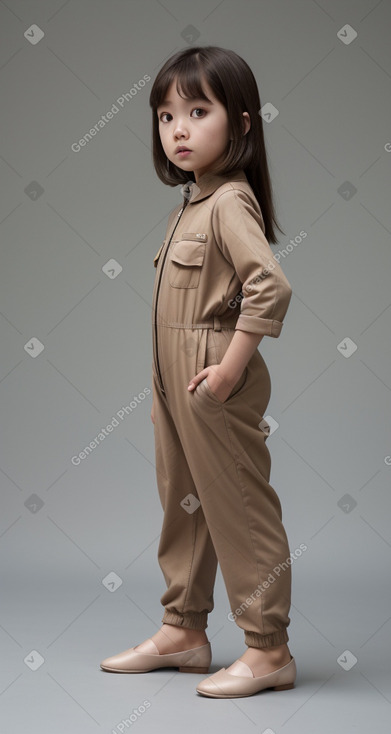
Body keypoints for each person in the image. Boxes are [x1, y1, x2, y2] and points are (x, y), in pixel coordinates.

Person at [100, 45, 297, 698]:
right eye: (163, 116)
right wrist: (159, 391)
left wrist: (226, 374)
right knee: (182, 507)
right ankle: (183, 631)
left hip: (215, 379)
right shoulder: (190, 205)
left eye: (196, 110)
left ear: (241, 123)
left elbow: (268, 287)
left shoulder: (230, 202)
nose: (177, 129)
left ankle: (267, 650)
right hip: (176, 384)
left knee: (238, 508)